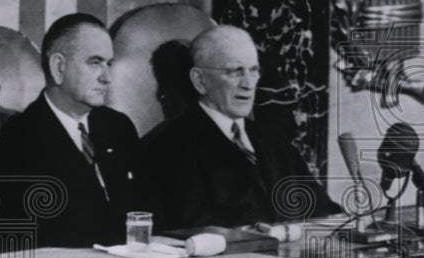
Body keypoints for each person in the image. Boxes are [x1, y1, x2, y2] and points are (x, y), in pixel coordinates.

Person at [139, 25, 338, 231]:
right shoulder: (168, 148)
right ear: (200, 80)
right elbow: (189, 231)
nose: (248, 84)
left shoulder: (274, 142)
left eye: (253, 70)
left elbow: (322, 211)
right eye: (235, 71)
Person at [0, 14, 140, 248]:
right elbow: (14, 252)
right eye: (95, 62)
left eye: (109, 63)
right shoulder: (10, 147)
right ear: (58, 67)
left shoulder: (119, 128)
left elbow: (145, 214)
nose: (107, 77)